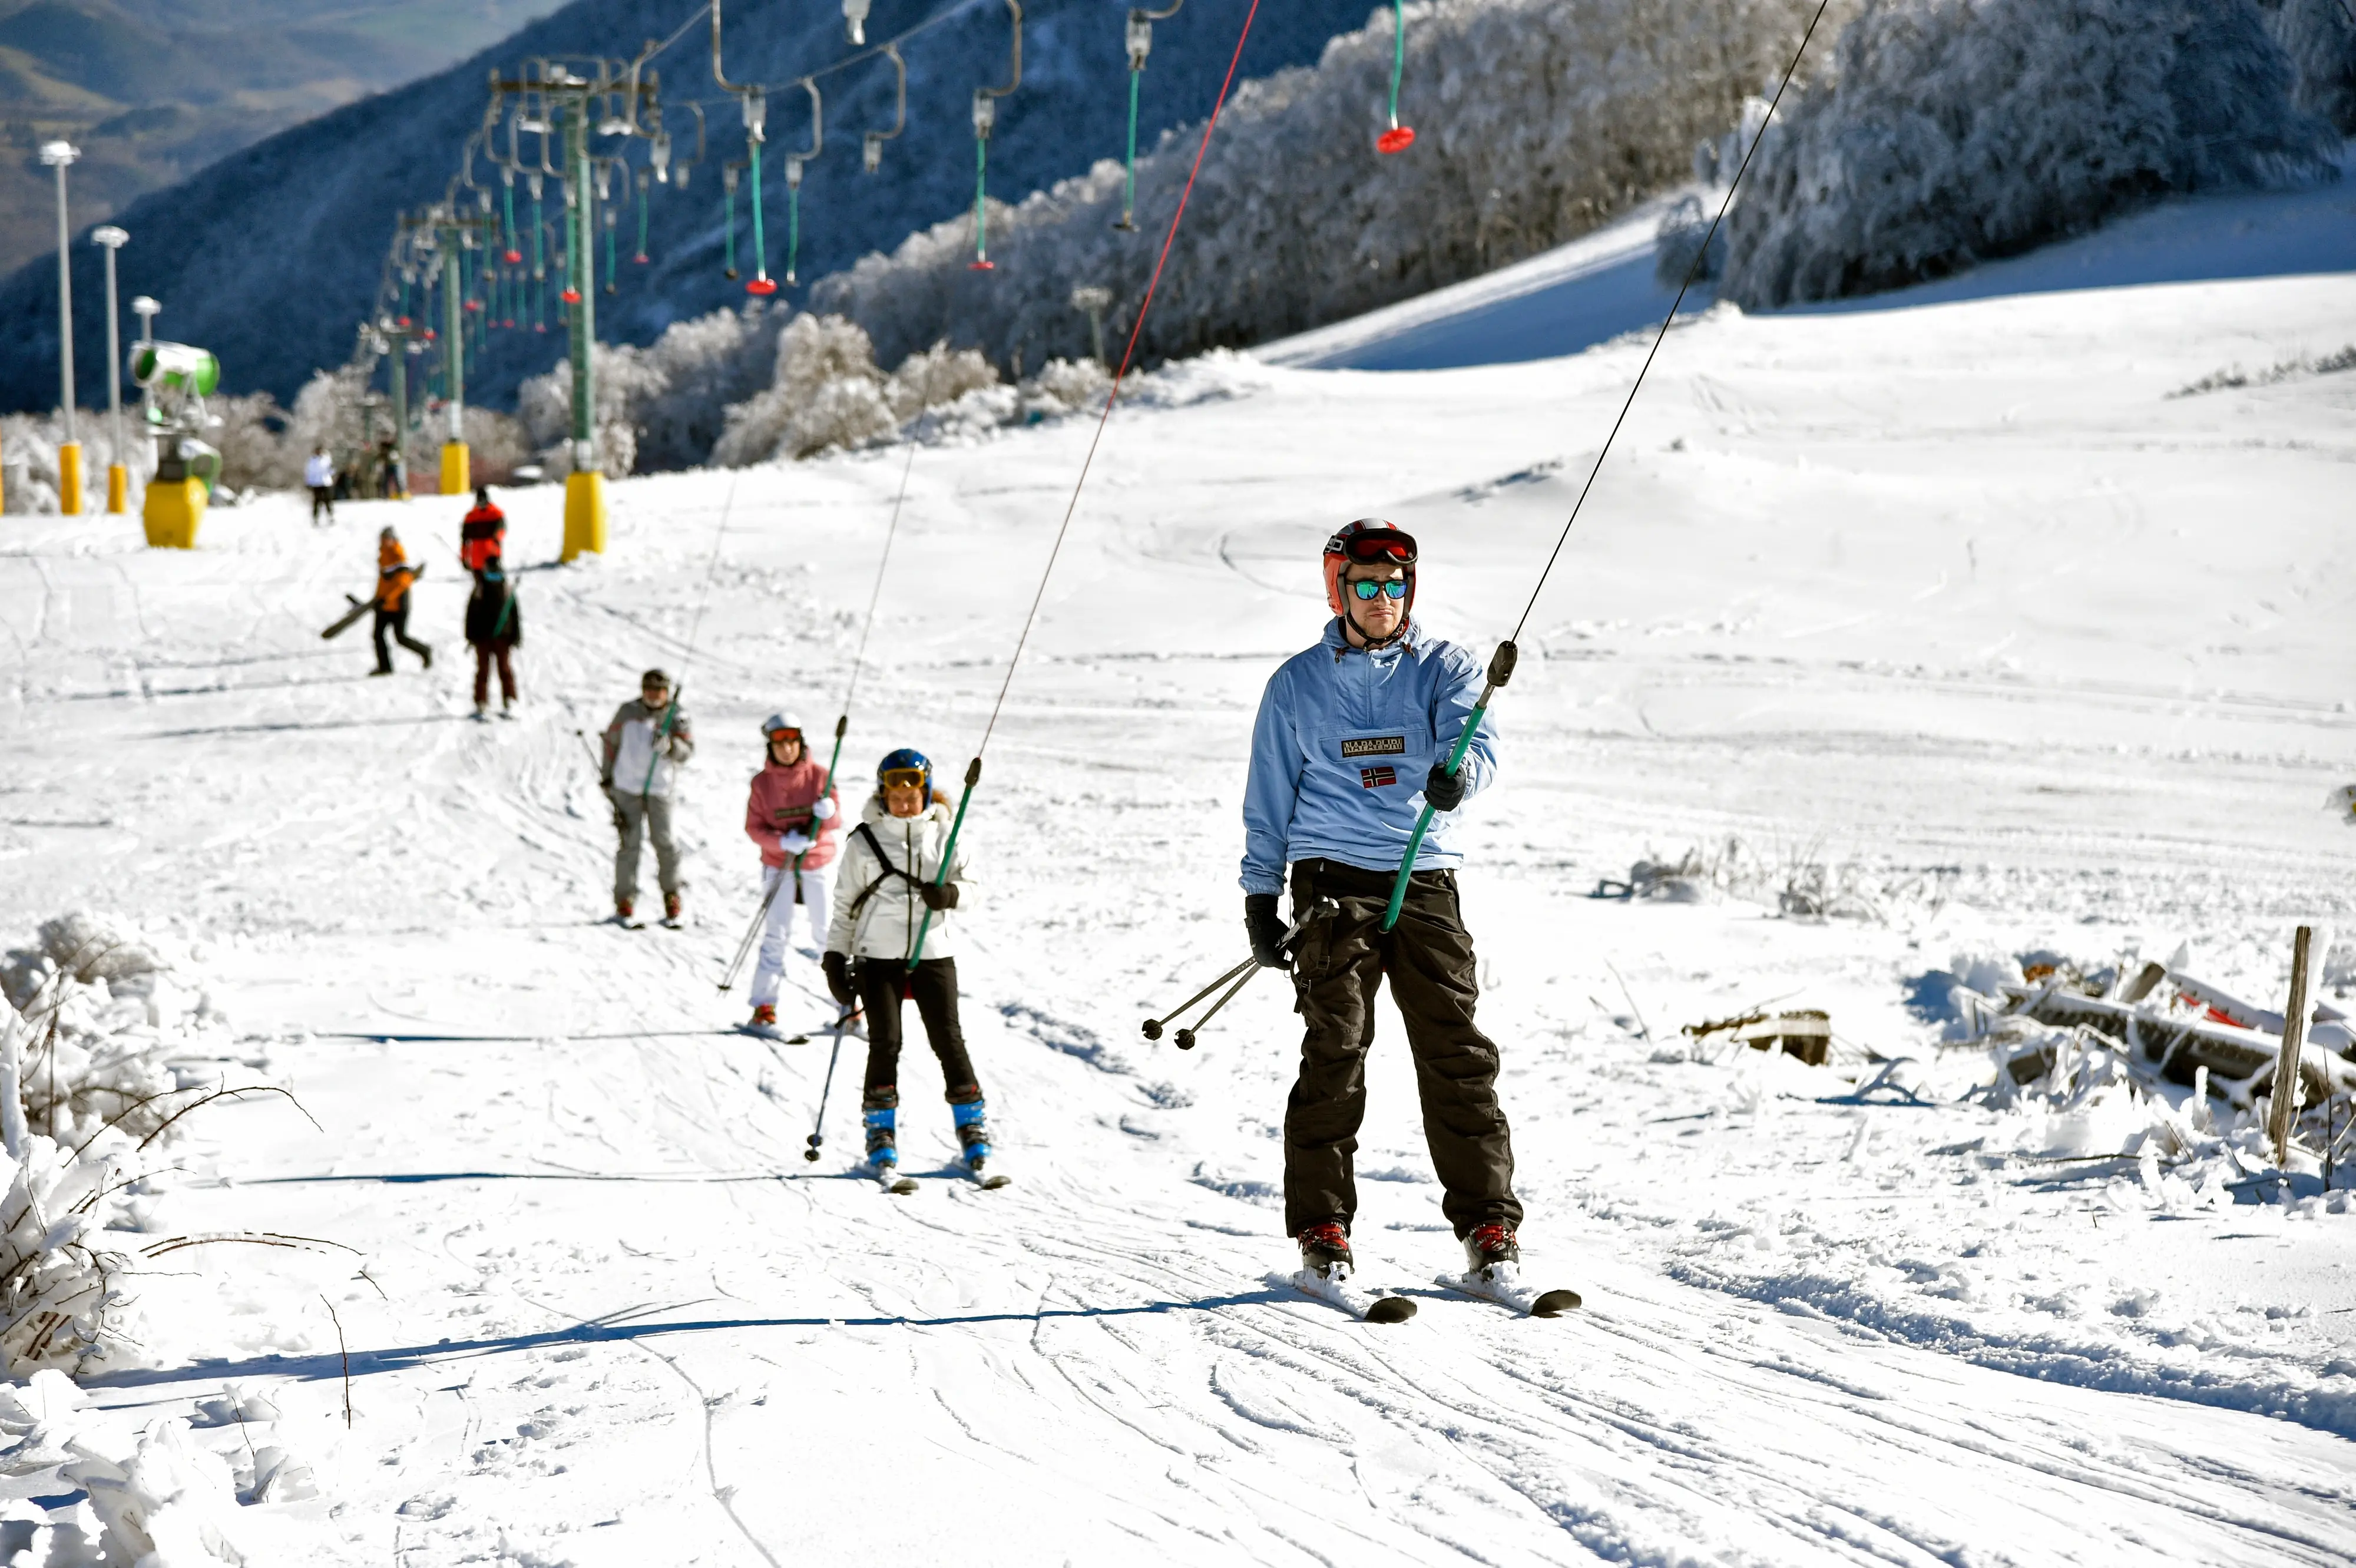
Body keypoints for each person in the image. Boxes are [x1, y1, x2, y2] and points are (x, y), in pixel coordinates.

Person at [1240, 518, 1523, 1291]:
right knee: (1336, 1049)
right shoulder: (1296, 685)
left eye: (1395, 585)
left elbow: (1480, 747)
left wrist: (1456, 778)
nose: (1381, 599)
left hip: (1423, 874)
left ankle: (1488, 1227)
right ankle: (1322, 1229)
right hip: (1332, 884)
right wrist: (1260, 898)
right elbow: (1269, 799)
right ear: (1338, 588)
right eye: (1365, 585)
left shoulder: (1447, 667)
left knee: (1456, 1052)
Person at [822, 748, 990, 1182]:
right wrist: (835, 958)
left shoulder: (947, 836)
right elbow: (844, 907)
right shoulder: (864, 842)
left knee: (949, 1040)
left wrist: (950, 896)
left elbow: (974, 888)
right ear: (884, 793)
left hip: (933, 952)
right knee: (886, 1042)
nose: (903, 799)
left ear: (926, 791)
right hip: (877, 954)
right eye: (895, 792)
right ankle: (881, 1137)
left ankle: (972, 1128)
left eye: (911, 790)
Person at [742, 713, 841, 1031]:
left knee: (827, 933)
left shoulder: (820, 776)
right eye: (780, 743)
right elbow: (754, 828)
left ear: (801, 742)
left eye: (792, 741)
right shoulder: (762, 783)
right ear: (770, 745)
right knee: (776, 934)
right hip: (778, 864)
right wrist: (782, 841)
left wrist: (829, 814)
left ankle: (849, 1005)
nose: (787, 749)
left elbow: (835, 821)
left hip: (816, 863)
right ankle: (764, 1008)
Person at [600, 669, 693, 925]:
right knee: (629, 843)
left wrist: (671, 747)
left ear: (667, 692)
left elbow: (687, 752)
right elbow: (610, 744)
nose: (653, 695)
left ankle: (671, 895)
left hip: (659, 789)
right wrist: (607, 777)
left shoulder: (676, 716)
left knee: (664, 842)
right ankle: (624, 901)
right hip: (627, 786)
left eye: (659, 690)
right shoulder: (627, 713)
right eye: (649, 690)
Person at [370, 527, 432, 676]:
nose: (384, 542)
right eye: (382, 539)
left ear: (393, 539)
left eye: (387, 539)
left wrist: (386, 599)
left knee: (401, 638)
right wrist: (378, 598)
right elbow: (383, 582)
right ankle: (385, 667)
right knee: (378, 635)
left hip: (398, 606)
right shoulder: (383, 556)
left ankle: (425, 651)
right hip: (383, 606)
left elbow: (403, 582)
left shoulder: (399, 556)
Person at [464, 559, 521, 720]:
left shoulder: (498, 589)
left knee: (497, 670)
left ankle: (504, 701)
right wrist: (471, 635)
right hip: (488, 637)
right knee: (491, 670)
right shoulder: (484, 589)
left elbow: (514, 614)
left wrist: (516, 636)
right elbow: (472, 614)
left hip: (496, 637)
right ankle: (485, 703)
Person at [459, 486, 506, 571]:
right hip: (477, 556)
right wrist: (463, 557)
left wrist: (496, 538)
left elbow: (501, 530)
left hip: (491, 555)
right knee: (481, 581)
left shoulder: (496, 514)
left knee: (494, 579)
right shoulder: (471, 517)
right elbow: (465, 539)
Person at [305, 446, 336, 525]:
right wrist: (308, 483)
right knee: (317, 501)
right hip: (316, 483)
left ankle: (330, 516)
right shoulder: (311, 461)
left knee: (328, 500)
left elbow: (331, 471)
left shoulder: (327, 459)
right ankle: (316, 518)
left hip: (326, 482)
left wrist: (332, 469)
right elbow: (309, 473)